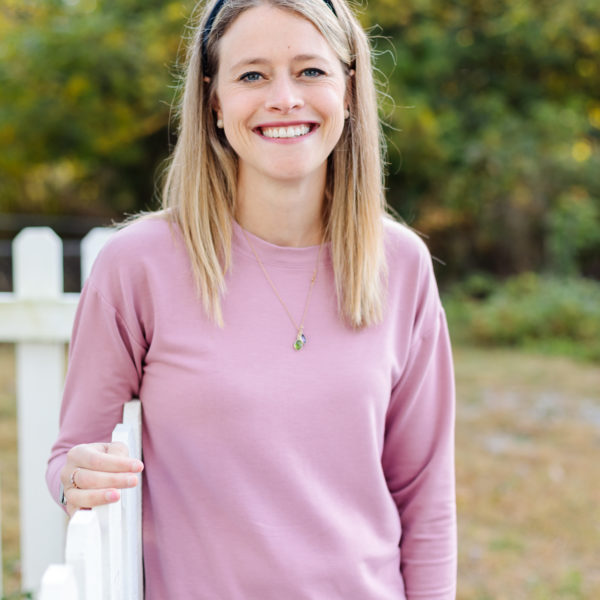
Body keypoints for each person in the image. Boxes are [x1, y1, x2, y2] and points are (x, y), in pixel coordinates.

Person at [47, 0, 457, 598]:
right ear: (214, 101)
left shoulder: (401, 264)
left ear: (348, 89)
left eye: (310, 71)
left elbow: (425, 498)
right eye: (253, 75)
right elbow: (69, 457)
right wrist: (73, 478)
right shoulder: (137, 266)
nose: (284, 98)